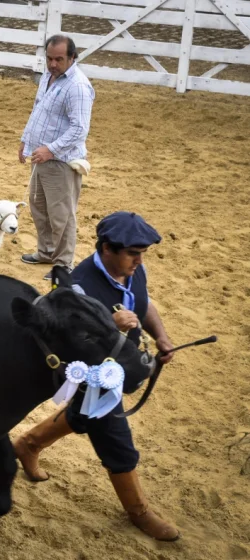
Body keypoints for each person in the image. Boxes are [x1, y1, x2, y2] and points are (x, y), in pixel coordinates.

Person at [14, 211, 180, 542]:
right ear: (107, 248)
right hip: (90, 374)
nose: (139, 261)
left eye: (142, 254)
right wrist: (109, 323)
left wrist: (159, 335)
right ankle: (139, 511)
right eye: (133, 254)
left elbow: (142, 303)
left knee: (84, 416)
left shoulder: (131, 269)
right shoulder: (77, 288)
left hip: (119, 365)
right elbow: (72, 340)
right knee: (116, 440)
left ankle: (29, 444)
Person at [19, 34, 94, 279]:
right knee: (39, 206)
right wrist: (26, 140)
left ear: (72, 57)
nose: (52, 64)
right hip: (42, 156)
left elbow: (79, 129)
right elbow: (38, 110)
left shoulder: (78, 86)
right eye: (50, 58)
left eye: (59, 59)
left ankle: (63, 264)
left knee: (62, 213)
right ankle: (47, 251)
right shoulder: (48, 78)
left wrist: (51, 149)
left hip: (61, 161)